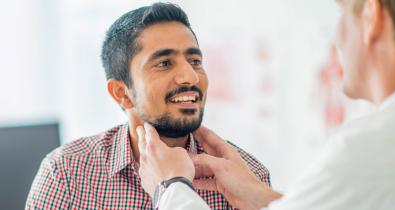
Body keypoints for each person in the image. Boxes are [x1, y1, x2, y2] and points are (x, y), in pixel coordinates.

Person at [137, 0, 395, 209]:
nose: (338, 36)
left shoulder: (371, 153)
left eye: (341, 15)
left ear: (372, 17)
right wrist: (265, 198)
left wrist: (170, 188)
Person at [25, 3, 271, 210]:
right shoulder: (67, 173)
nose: (191, 77)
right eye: (164, 63)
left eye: (195, 60)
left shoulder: (248, 178)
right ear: (122, 93)